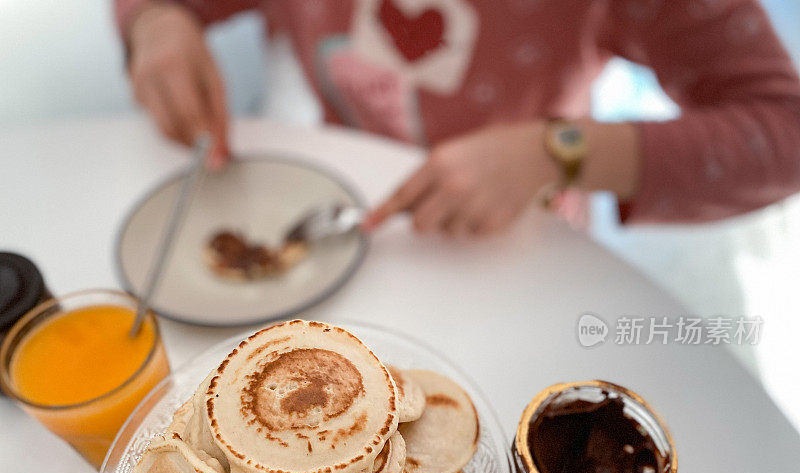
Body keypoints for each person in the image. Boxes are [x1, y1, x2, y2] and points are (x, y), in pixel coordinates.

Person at [115, 0, 800, 235]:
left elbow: (782, 132)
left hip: (519, 232)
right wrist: (156, 20)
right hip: (354, 203)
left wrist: (559, 151)